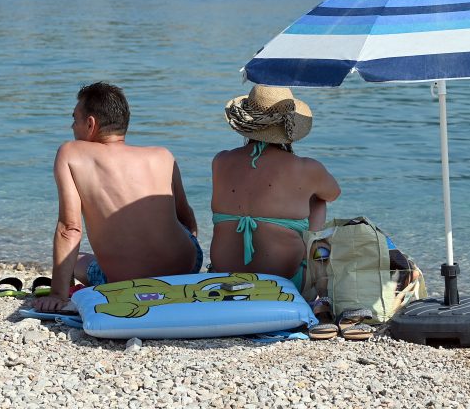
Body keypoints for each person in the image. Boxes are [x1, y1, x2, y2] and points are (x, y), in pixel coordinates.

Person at [34, 82, 201, 312]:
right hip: (187, 267)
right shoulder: (162, 155)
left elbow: (70, 229)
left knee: (78, 261)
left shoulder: (71, 153)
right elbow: (187, 219)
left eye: (75, 119)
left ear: (90, 124)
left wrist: (57, 294)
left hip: (126, 283)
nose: (72, 126)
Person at [210, 85, 341, 291]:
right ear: (290, 126)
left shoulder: (221, 160)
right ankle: (318, 276)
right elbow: (333, 193)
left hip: (223, 278)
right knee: (318, 200)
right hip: (286, 282)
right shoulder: (306, 167)